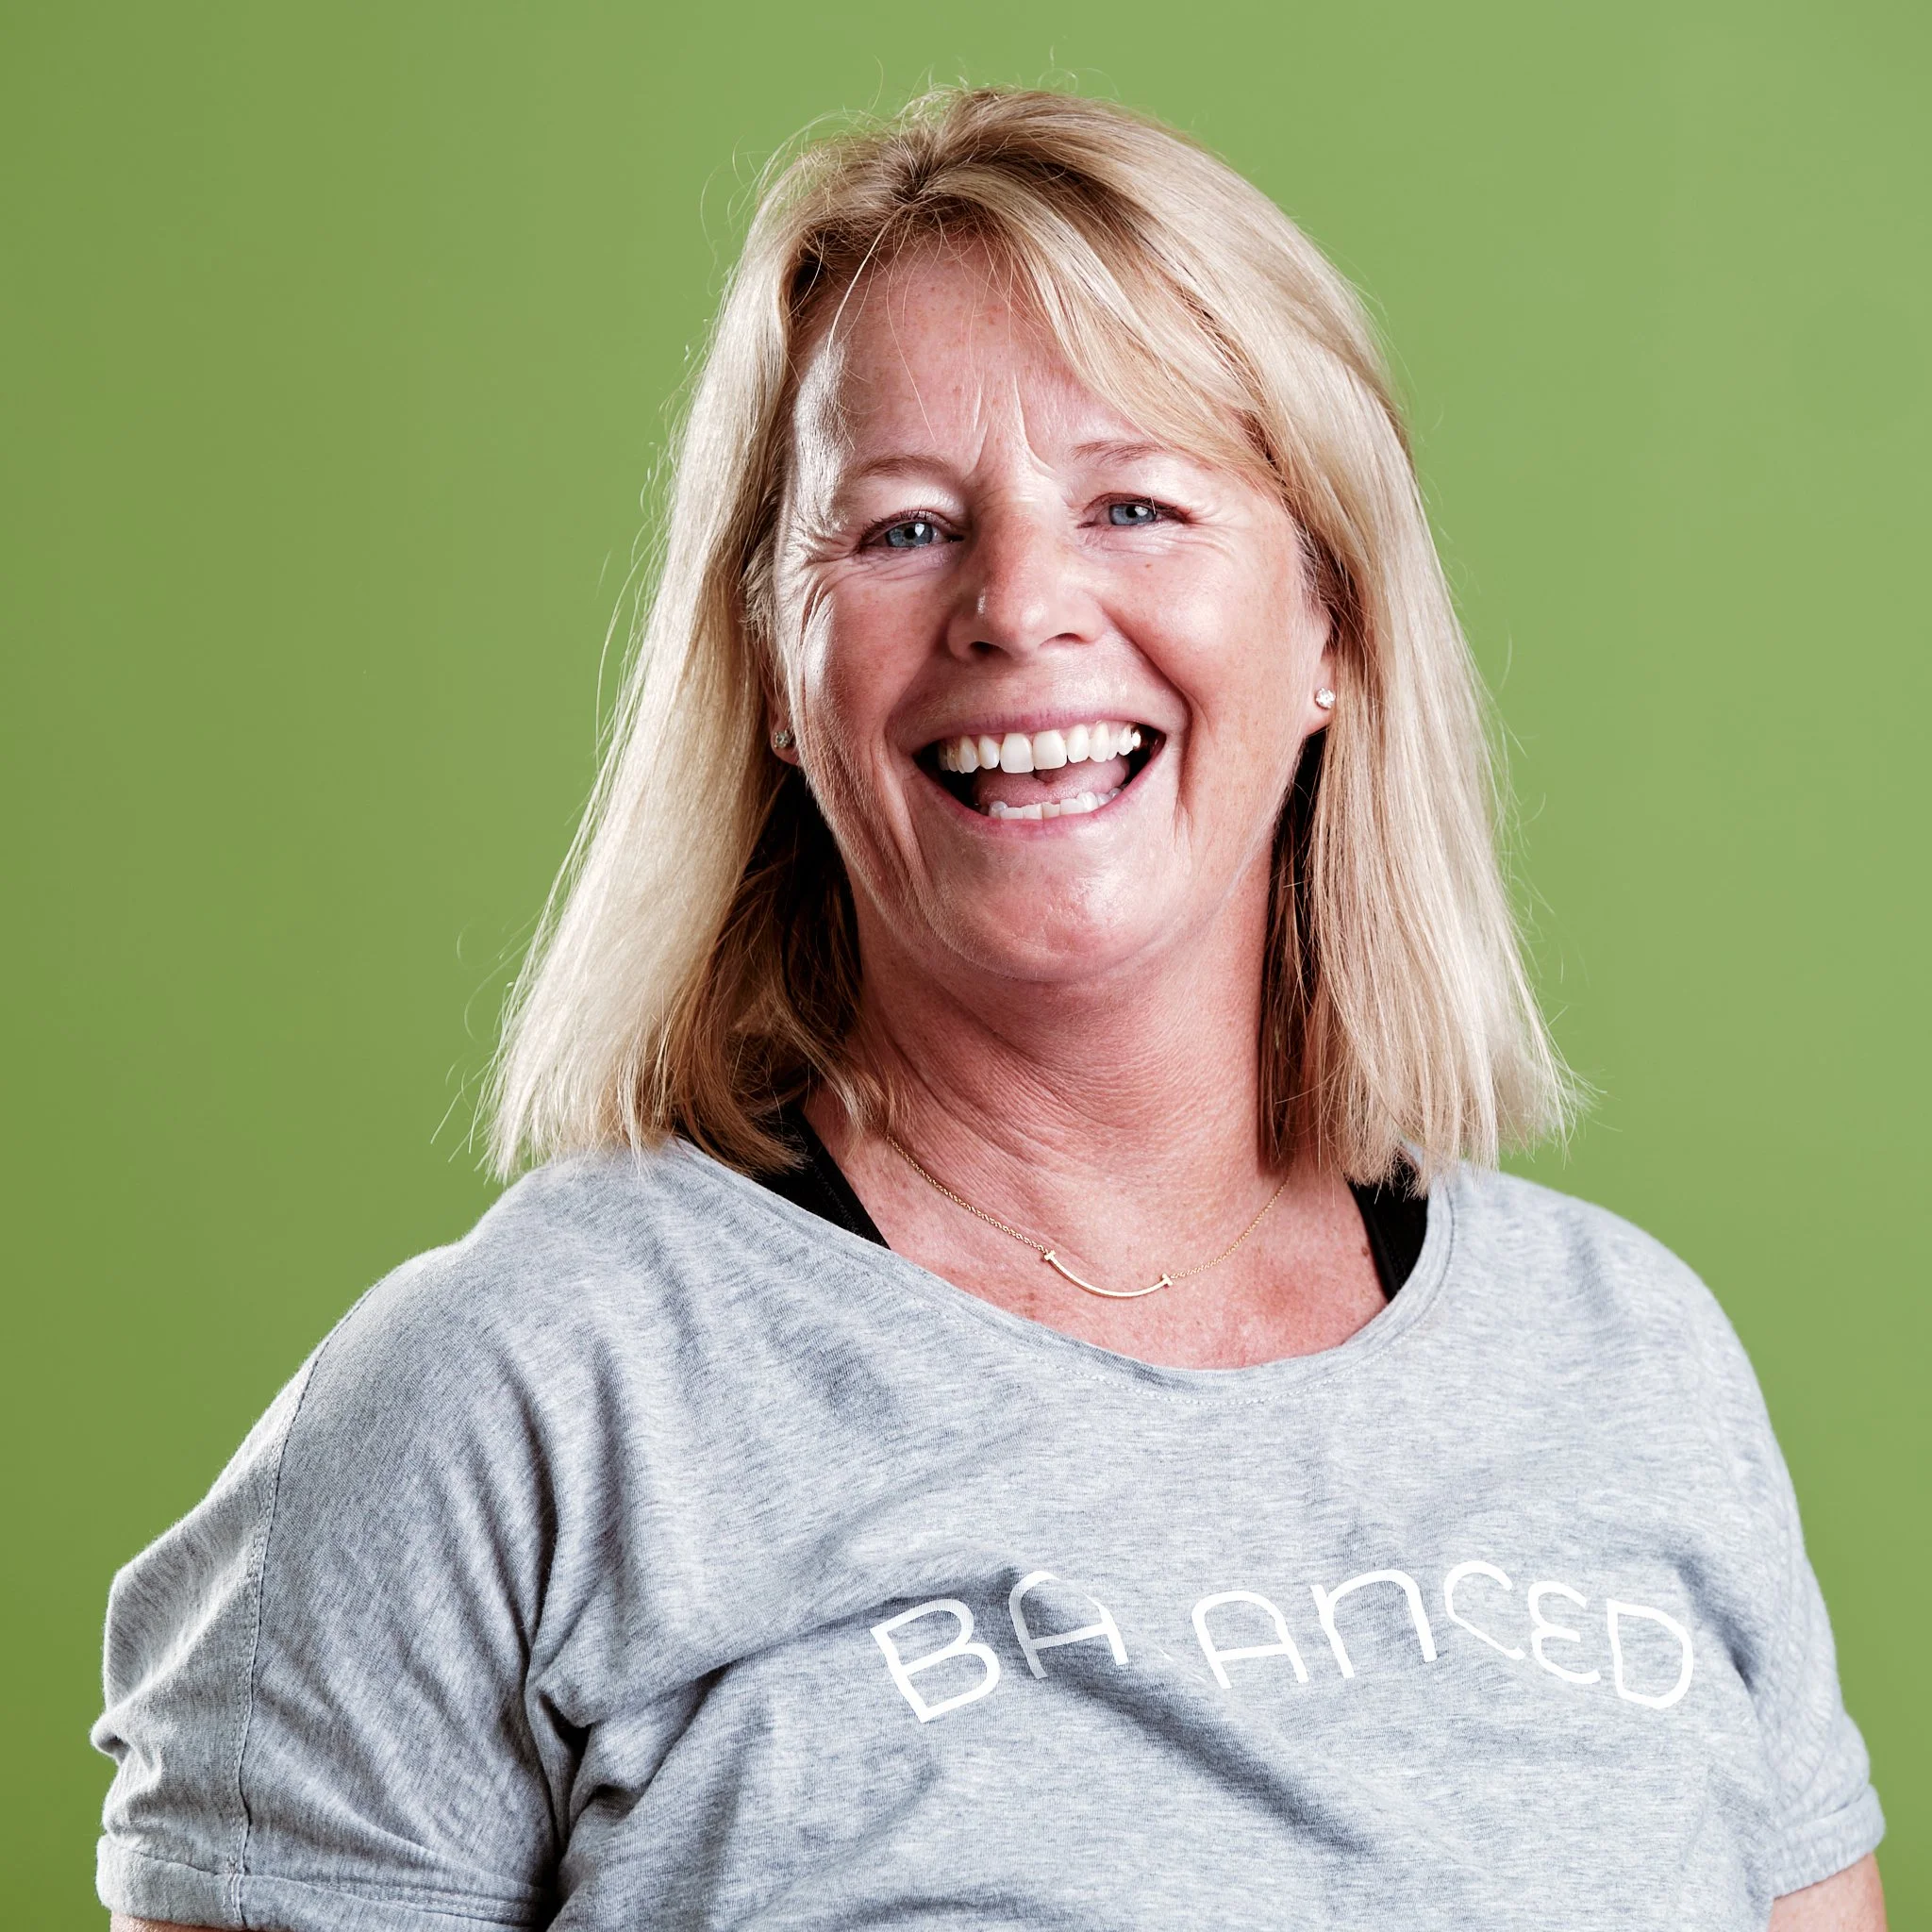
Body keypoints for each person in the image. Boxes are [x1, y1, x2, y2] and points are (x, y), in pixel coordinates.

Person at [94, 87, 1885, 1930]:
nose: (1020, 606)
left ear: (1330, 625)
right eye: (898, 529)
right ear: (772, 673)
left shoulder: (1632, 1366)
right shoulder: (516, 1406)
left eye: (1132, 501)